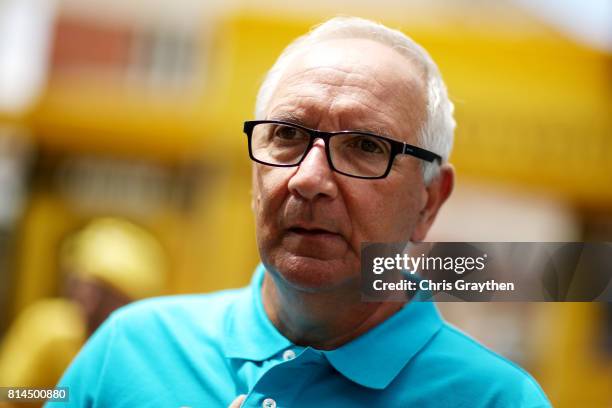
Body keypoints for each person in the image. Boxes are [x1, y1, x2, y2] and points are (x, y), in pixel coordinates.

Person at [48, 17, 551, 407]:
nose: (309, 179)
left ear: (430, 200)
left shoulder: (498, 400)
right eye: (287, 135)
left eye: (365, 145)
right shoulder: (129, 349)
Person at [0, 217, 166, 394]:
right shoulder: (49, 329)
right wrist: (68, 396)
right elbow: (9, 392)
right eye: (86, 288)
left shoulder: (138, 350)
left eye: (108, 297)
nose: (91, 304)